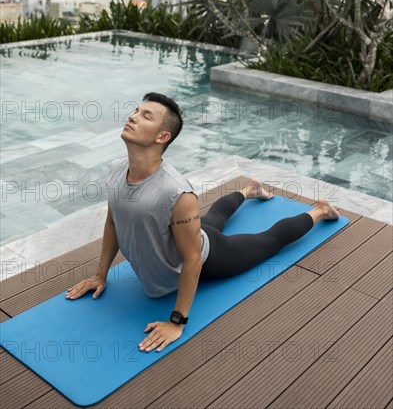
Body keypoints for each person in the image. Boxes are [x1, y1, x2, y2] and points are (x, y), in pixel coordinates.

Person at [66, 92, 340, 353]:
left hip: (212, 256)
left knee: (268, 240)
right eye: (136, 111)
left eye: (146, 116)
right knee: (215, 217)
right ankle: (250, 191)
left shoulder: (176, 192)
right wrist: (100, 274)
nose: (133, 116)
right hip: (185, 233)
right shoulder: (116, 170)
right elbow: (114, 224)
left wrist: (176, 321)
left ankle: (320, 210)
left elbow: (194, 259)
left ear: (163, 136)